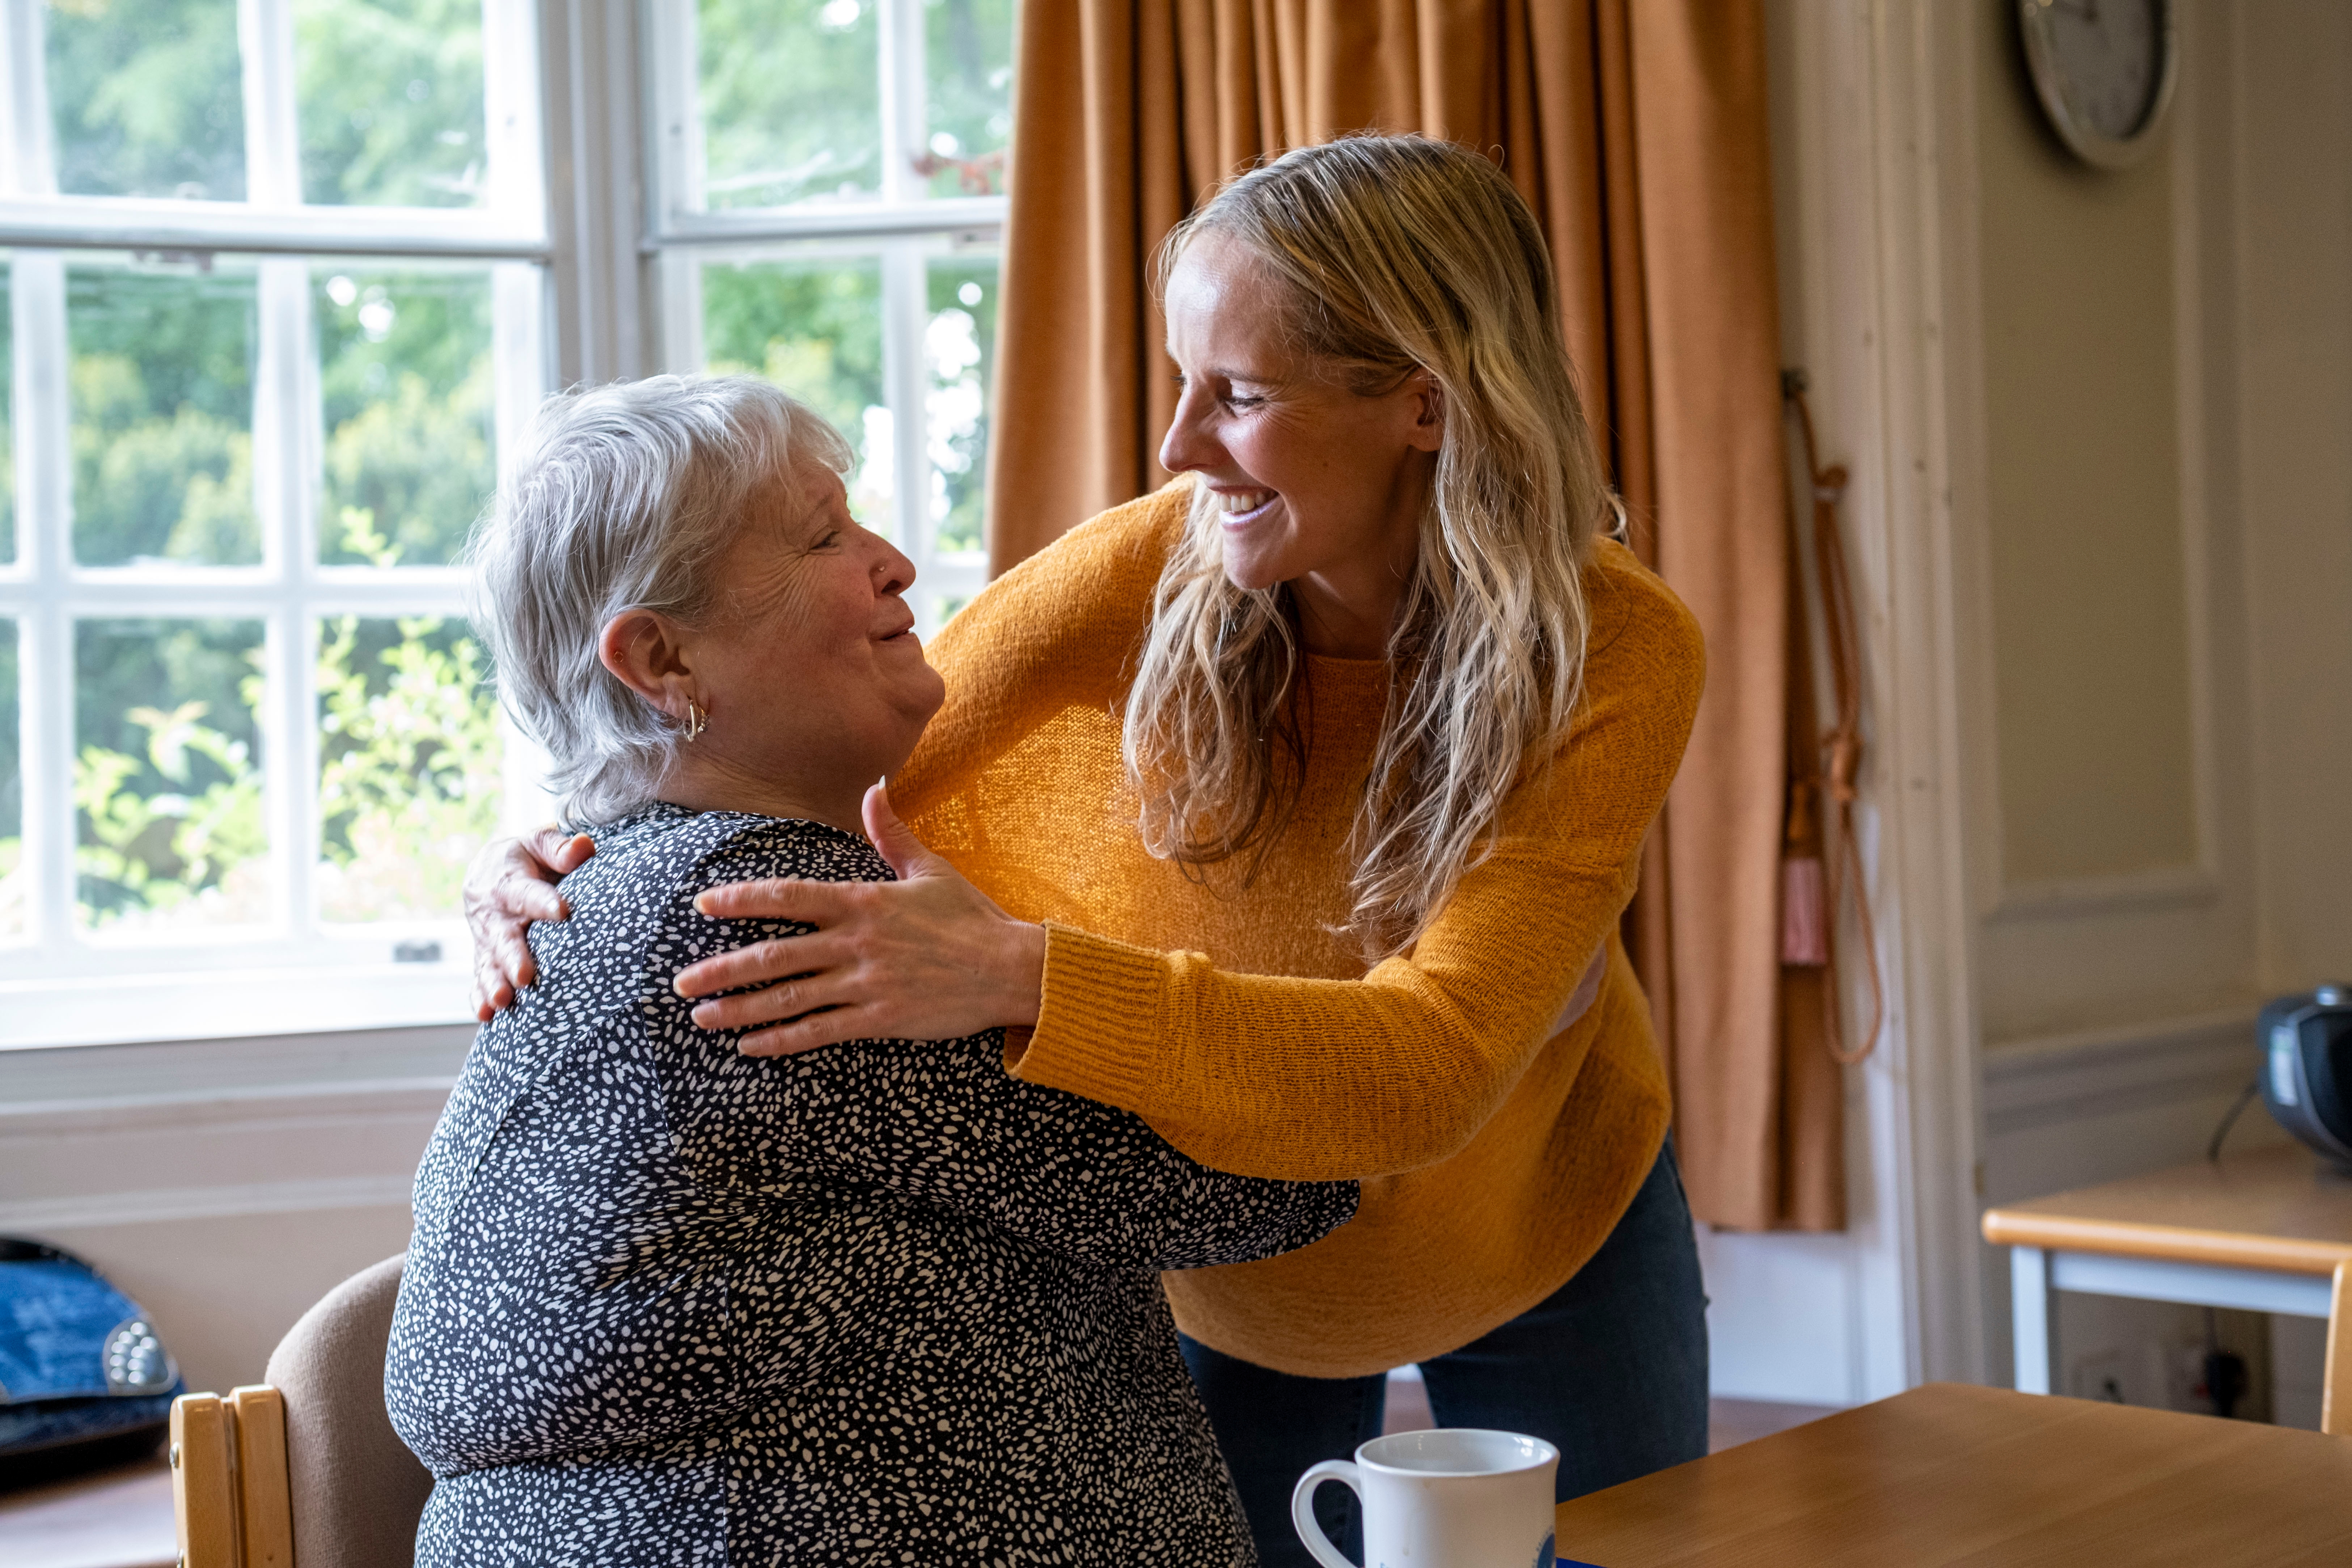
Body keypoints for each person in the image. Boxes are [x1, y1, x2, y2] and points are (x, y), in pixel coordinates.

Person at [468, 134, 1709, 1567]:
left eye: (1237, 396)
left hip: (1533, 1210)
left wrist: (1022, 977)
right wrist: (562, 850)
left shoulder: (1614, 648)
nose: (1177, 446)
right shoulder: (1160, 559)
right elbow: (800, 745)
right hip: (1220, 1252)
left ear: (1421, 407)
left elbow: (1427, 1068)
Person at [390, 374, 1358, 1565]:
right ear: (660, 657)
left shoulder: (600, 892)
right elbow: (1265, 1185)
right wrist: (1454, 1010)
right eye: (822, 536)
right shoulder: (765, 920)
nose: (894, 560)